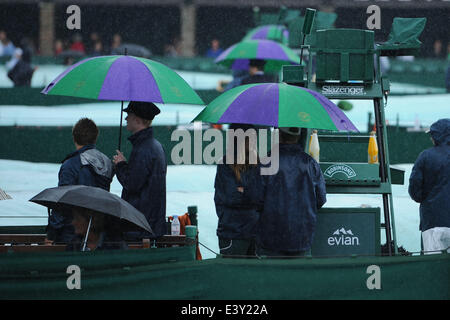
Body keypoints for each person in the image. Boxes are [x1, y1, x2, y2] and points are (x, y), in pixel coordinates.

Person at [255, 127, 326, 257]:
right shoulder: (311, 163)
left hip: (270, 240)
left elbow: (255, 199)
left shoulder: (266, 162)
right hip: (302, 239)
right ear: (298, 137)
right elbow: (321, 199)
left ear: (279, 135)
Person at [46, 118, 114, 246]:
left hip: (71, 233)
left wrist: (52, 233)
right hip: (97, 234)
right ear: (95, 138)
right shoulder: (107, 163)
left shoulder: (71, 164)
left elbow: (63, 202)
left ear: (74, 138)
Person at [113, 101, 167, 241]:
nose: (125, 119)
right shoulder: (154, 146)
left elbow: (132, 184)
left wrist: (120, 165)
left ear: (137, 119)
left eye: (128, 115)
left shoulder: (143, 149)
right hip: (149, 226)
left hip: (139, 228)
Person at [214, 124, 260, 257]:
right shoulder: (225, 164)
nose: (253, 141)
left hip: (255, 234)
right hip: (232, 234)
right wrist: (251, 194)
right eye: (249, 137)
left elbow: (261, 196)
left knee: (254, 277)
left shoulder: (258, 164)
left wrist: (243, 191)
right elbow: (231, 197)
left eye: (254, 137)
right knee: (233, 276)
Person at [408, 118, 450, 253]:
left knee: (433, 267)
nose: (431, 138)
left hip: (433, 220)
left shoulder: (425, 156)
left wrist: (426, 200)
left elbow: (415, 189)